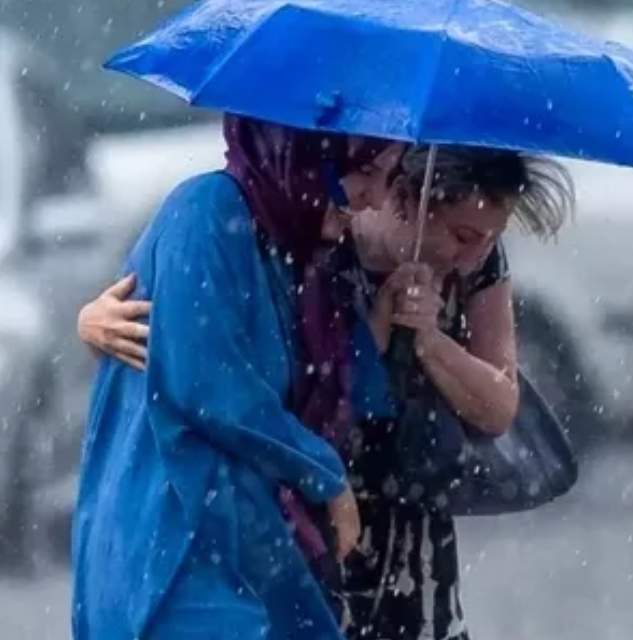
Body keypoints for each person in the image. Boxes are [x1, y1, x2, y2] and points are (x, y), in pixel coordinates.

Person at [77, 144, 573, 640]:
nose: (472, 257)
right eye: (463, 235)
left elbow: (498, 406)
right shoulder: (320, 225)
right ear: (408, 198)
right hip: (313, 498)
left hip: (406, 500)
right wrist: (91, 323)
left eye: (491, 239)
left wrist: (429, 341)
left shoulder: (476, 265)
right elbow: (209, 354)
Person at [72, 114, 404, 640]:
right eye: (366, 172)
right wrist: (323, 473)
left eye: (389, 178)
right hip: (173, 557)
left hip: (245, 552)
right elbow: (209, 386)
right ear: (306, 156)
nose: (375, 199)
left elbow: (352, 391)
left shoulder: (298, 252)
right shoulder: (205, 212)